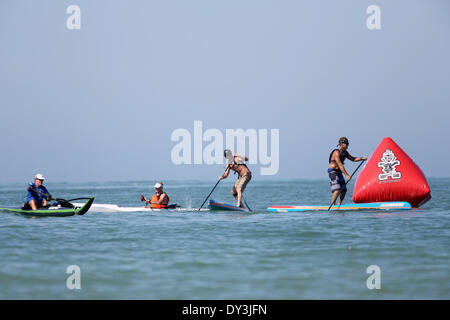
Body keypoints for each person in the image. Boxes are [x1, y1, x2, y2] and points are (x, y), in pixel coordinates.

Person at [328, 137, 367, 206]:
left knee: (344, 190)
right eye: (346, 144)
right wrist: (347, 175)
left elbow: (353, 159)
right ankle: (333, 205)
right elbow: (340, 164)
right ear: (341, 144)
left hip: (339, 172)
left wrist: (361, 158)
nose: (347, 145)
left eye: (348, 144)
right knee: (337, 189)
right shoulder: (336, 152)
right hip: (333, 172)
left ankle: (339, 205)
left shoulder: (345, 153)